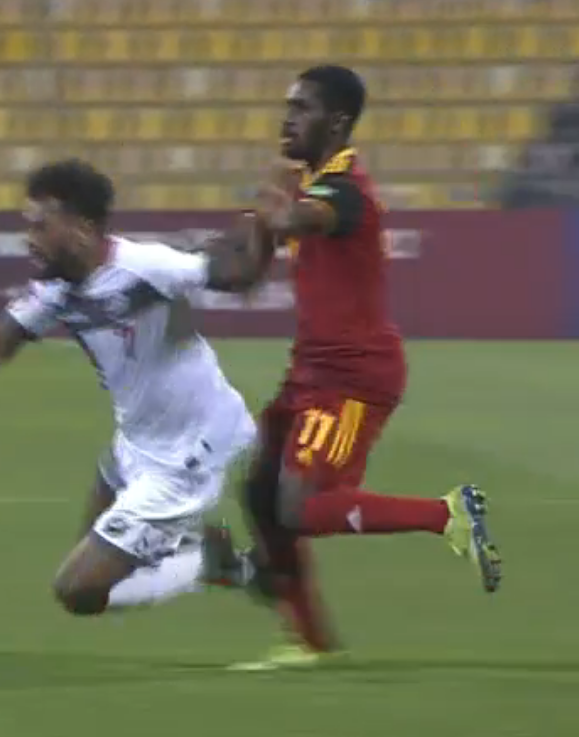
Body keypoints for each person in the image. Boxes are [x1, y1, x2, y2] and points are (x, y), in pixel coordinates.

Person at [201, 65, 503, 672]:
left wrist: (272, 196)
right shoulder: (314, 186)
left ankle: (447, 514)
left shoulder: (345, 191)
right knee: (260, 491)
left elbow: (292, 220)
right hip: (311, 371)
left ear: (336, 123)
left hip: (353, 378)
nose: (288, 119)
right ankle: (308, 641)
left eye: (302, 109)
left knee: (303, 506)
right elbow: (253, 269)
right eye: (288, 106)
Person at [0, 159, 268, 616]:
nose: (29, 238)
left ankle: (203, 565)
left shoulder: (146, 267)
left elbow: (234, 274)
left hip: (187, 452)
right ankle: (211, 562)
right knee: (97, 558)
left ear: (81, 229)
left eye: (41, 226)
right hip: (136, 444)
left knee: (77, 590)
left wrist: (263, 224)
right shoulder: (55, 290)